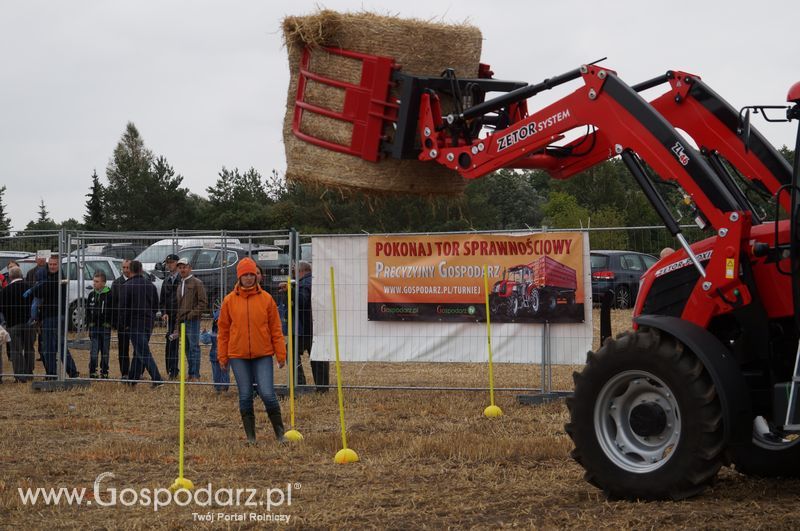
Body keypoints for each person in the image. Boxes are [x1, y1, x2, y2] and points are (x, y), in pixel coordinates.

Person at [217, 257, 287, 443]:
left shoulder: (267, 299)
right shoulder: (229, 301)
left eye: (252, 274)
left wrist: (281, 353)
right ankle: (251, 438)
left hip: (263, 354)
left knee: (267, 394)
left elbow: (276, 329)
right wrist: (222, 356)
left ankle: (280, 434)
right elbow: (223, 331)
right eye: (245, 274)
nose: (249, 278)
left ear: (257, 276)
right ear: (239, 277)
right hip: (238, 356)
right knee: (245, 395)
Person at [31, 255, 79, 378]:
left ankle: (55, 373)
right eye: (50, 264)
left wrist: (35, 287)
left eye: (54, 264)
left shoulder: (58, 279)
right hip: (49, 316)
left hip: (54, 316)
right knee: (56, 346)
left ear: (59, 265)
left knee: (52, 347)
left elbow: (39, 291)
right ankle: (67, 372)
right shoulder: (50, 277)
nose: (52, 266)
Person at [122, 260, 163, 385]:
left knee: (143, 352)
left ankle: (157, 379)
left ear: (131, 270)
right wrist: (150, 316)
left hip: (134, 323)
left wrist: (125, 324)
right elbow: (156, 305)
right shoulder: (150, 285)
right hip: (148, 322)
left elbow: (124, 308)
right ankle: (132, 379)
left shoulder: (127, 286)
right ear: (141, 270)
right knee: (139, 351)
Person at [296, 261, 329, 392]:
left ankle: (300, 383)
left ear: (301, 271)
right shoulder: (317, 282)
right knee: (319, 357)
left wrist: (291, 292)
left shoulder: (304, 283)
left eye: (295, 272)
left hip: (306, 327)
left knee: (291, 351)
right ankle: (322, 387)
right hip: (319, 326)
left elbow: (302, 300)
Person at [175, 257, 207, 382]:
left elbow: (203, 302)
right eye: (180, 267)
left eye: (185, 267)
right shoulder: (180, 284)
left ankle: (195, 375)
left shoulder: (197, 283)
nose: (182, 269)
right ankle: (191, 373)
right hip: (182, 321)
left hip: (192, 320)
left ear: (190, 268)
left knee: (194, 347)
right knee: (186, 348)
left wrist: (191, 314)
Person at [0, 266, 34, 382]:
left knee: (16, 350)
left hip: (13, 323)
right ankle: (29, 372)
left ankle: (20, 376)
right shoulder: (29, 288)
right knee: (29, 348)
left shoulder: (5, 291)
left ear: (10, 276)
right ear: (21, 275)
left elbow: (2, 308)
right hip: (29, 323)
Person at [86, 271, 112, 378]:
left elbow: (112, 310)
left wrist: (109, 323)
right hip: (94, 328)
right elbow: (88, 311)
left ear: (103, 283)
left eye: (97, 281)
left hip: (105, 328)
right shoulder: (92, 295)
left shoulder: (109, 294)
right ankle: (92, 371)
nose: (94, 283)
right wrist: (89, 323)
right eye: (94, 281)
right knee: (94, 351)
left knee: (105, 351)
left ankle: (104, 371)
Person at [159, 254, 181, 379]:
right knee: (170, 343)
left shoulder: (182, 280)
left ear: (177, 264)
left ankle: (179, 371)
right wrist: (164, 313)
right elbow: (162, 301)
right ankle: (171, 369)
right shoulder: (166, 281)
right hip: (170, 319)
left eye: (171, 262)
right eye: (168, 263)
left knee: (182, 345)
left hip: (181, 318)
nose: (169, 265)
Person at [111, 259, 132, 378]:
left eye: (127, 268)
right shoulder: (117, 283)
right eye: (123, 268)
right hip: (122, 322)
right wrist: (115, 322)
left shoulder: (138, 282)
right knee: (123, 348)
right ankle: (124, 372)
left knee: (139, 348)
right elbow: (114, 304)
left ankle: (136, 371)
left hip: (135, 321)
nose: (125, 270)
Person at [203, 308, 230, 393]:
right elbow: (205, 340)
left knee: (225, 372)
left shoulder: (229, 333)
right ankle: (217, 387)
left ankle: (224, 387)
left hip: (225, 357)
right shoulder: (212, 333)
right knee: (216, 373)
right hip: (214, 357)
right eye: (218, 320)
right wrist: (203, 333)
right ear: (215, 322)